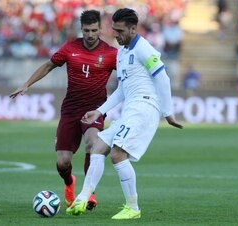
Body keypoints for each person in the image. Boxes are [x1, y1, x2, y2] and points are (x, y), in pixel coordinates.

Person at [66, 8, 183, 220]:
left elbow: (162, 78)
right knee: (98, 147)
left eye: (120, 31)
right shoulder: (122, 53)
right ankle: (82, 197)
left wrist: (167, 113)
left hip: (144, 108)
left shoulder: (143, 49)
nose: (116, 35)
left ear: (133, 28)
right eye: (114, 30)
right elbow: (122, 89)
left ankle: (133, 208)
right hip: (131, 108)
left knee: (118, 153)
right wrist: (99, 111)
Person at [9, 10, 117, 209]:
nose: (91, 35)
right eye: (87, 30)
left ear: (100, 29)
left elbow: (128, 75)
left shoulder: (110, 53)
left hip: (94, 110)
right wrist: (27, 84)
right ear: (81, 29)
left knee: (93, 145)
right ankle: (69, 183)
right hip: (70, 109)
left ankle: (88, 193)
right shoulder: (70, 48)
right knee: (63, 162)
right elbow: (49, 65)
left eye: (94, 30)